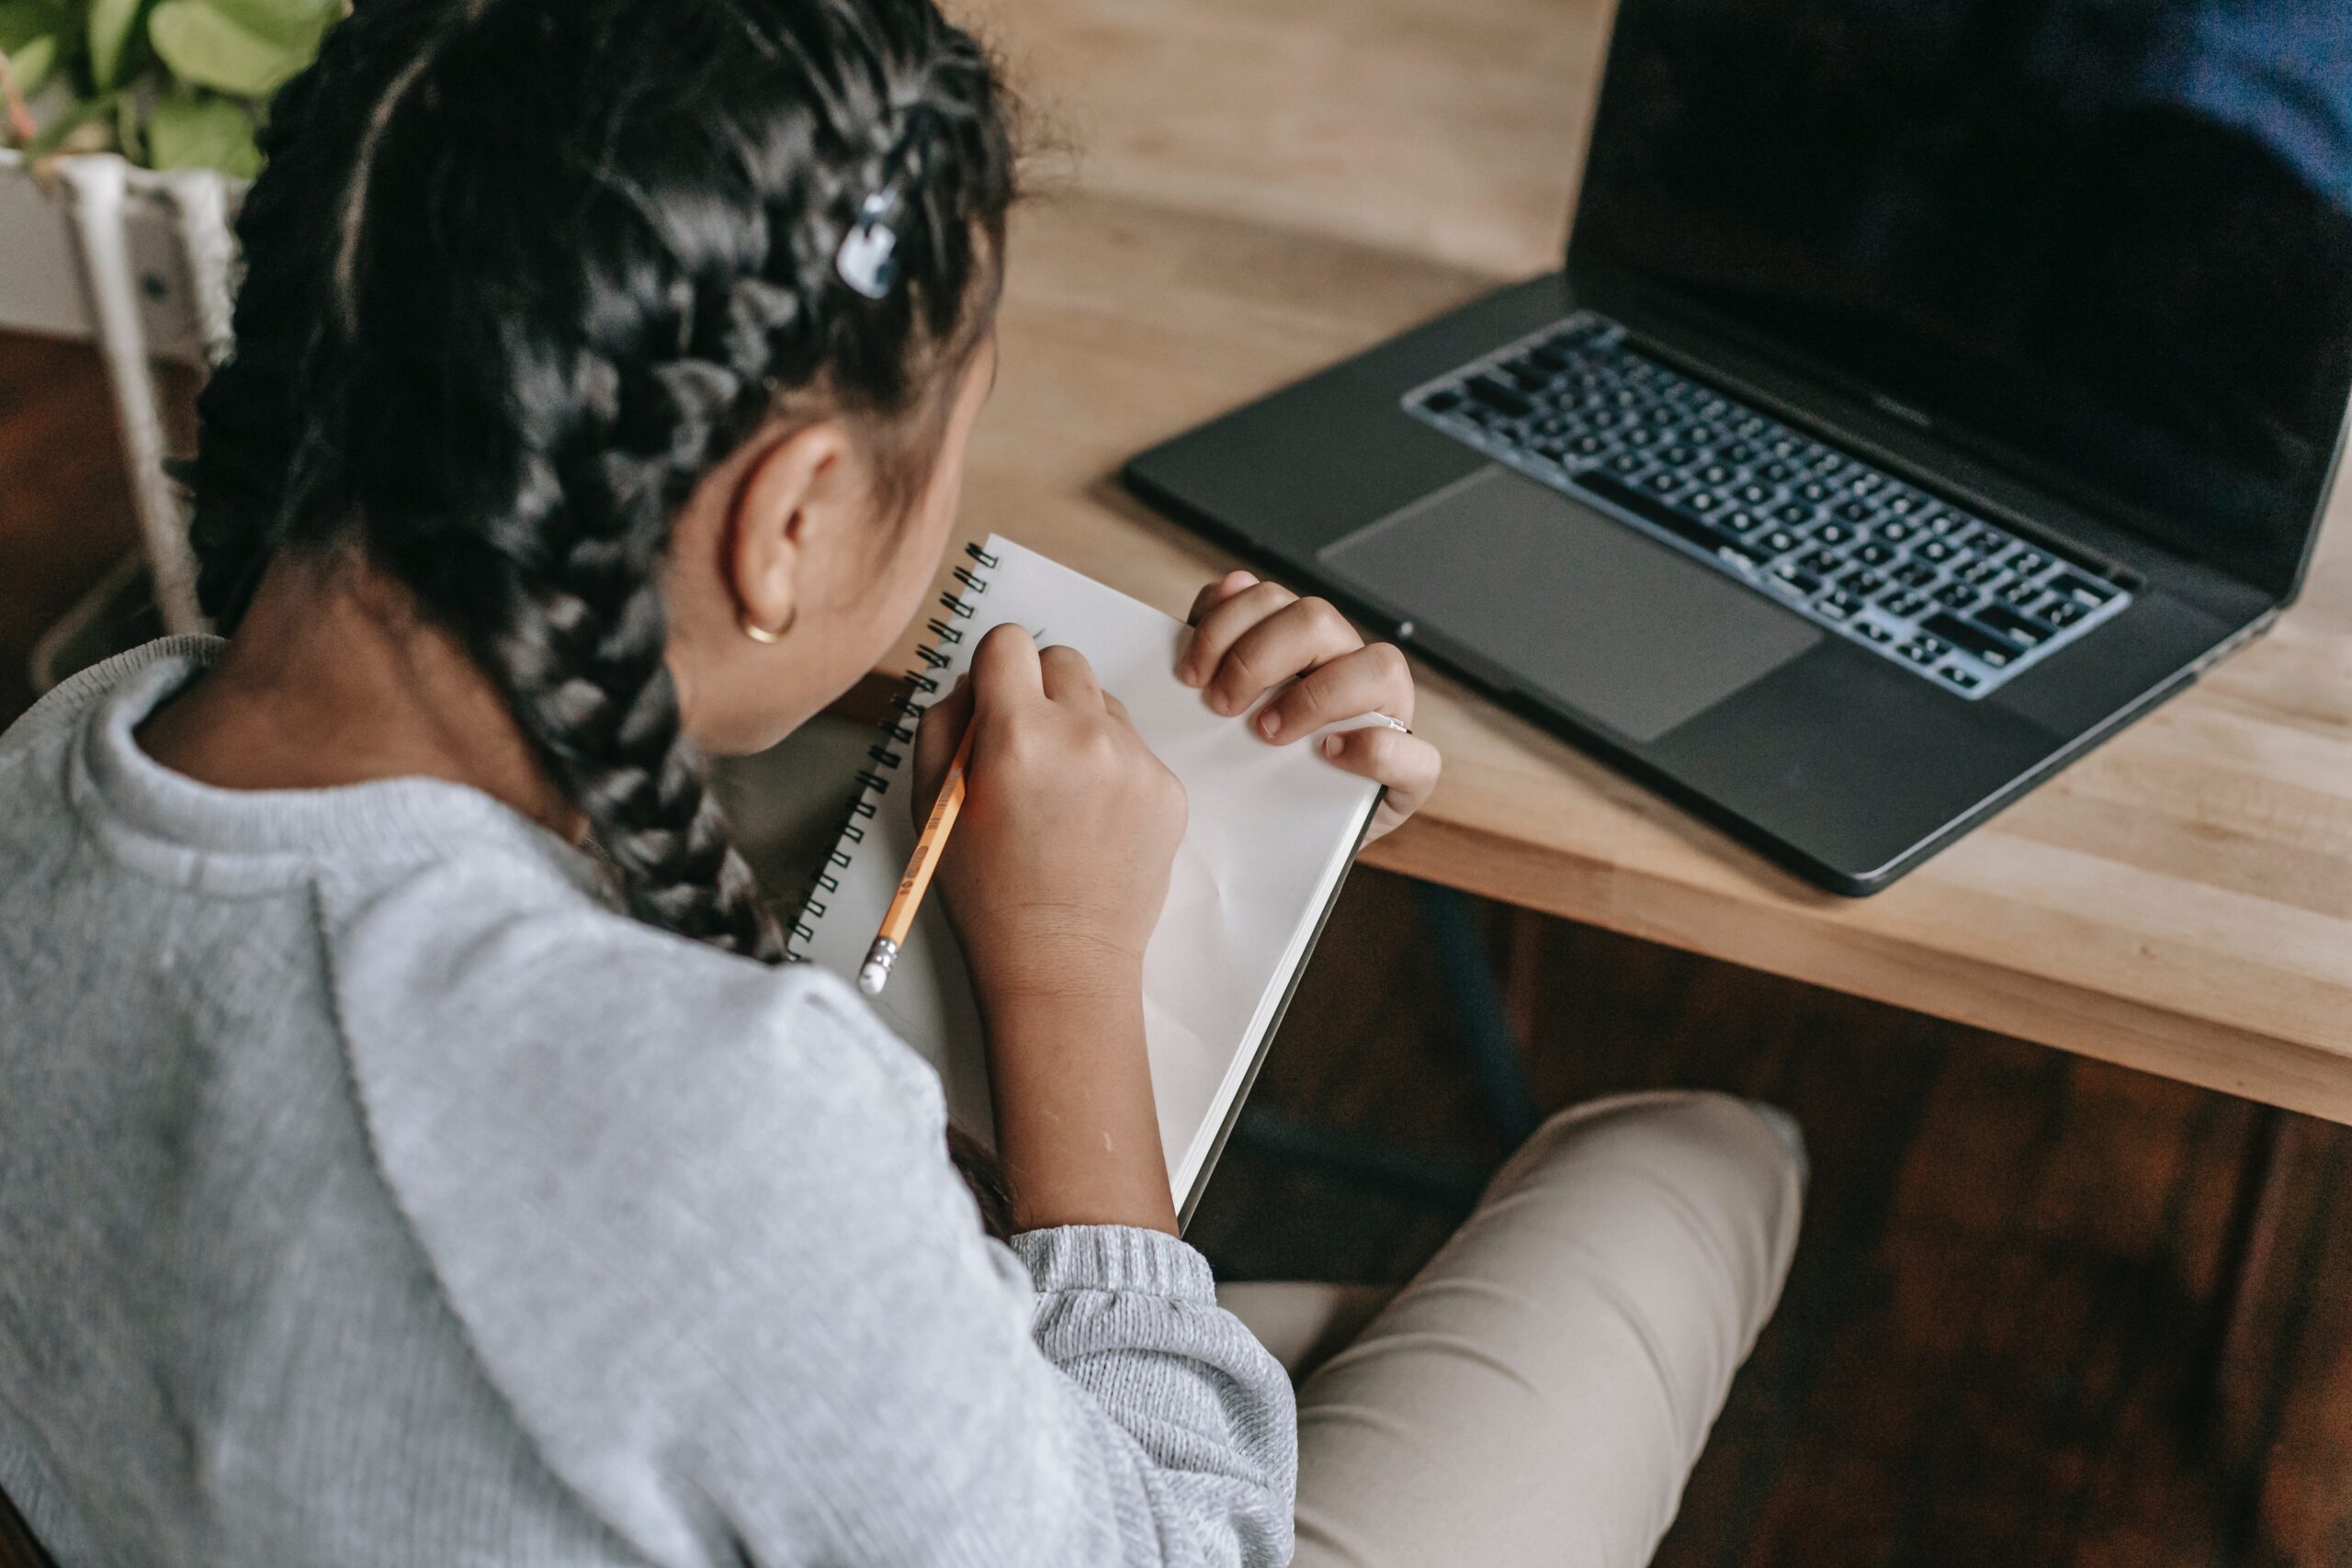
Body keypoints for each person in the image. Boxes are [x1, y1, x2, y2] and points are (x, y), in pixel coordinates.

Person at [0, 0, 1804, 1563]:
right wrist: (1068, 978)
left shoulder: (55, 780)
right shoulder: (713, 1125)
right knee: (1693, 1161)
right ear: (781, 520)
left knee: (1335, 1334)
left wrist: (1242, 790)